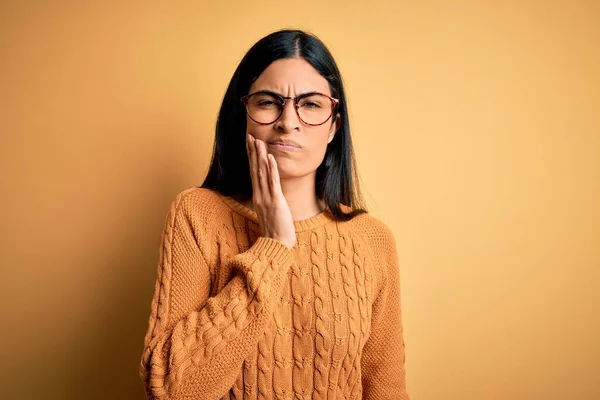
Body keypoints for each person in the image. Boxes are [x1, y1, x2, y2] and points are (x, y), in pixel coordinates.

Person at [139, 29, 410, 400]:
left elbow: (386, 386)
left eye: (311, 104)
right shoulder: (196, 214)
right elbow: (170, 389)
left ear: (334, 125)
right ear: (244, 116)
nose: (288, 121)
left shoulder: (372, 239)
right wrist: (272, 246)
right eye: (268, 102)